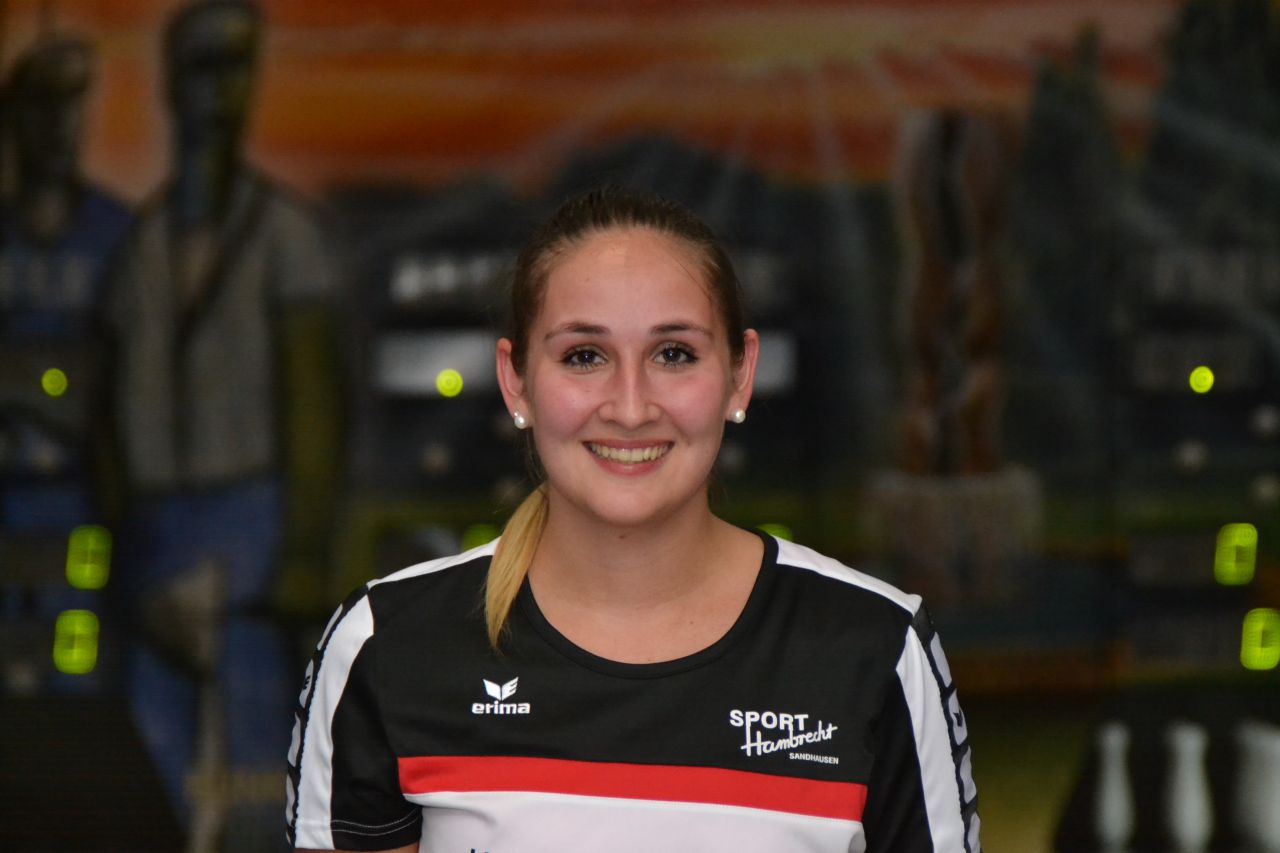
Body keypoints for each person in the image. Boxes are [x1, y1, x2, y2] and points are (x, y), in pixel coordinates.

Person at [286, 187, 980, 852]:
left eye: (673, 354)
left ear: (740, 375)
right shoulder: (386, 645)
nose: (629, 406)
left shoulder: (875, 648)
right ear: (516, 380)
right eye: (584, 356)